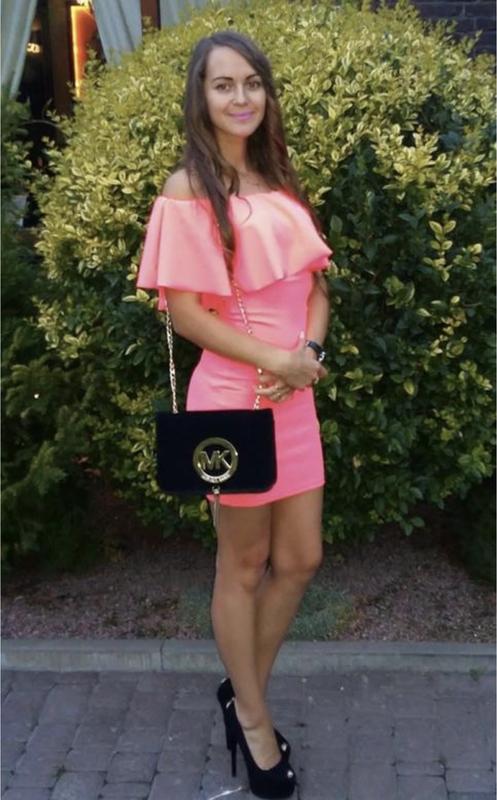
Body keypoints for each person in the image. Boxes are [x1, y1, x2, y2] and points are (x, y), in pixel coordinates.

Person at [137, 29, 333, 800]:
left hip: (293, 392)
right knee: (243, 566)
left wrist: (305, 354)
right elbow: (187, 313)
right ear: (201, 96)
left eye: (252, 82)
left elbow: (315, 286)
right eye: (224, 84)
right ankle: (252, 719)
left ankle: (238, 684)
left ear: (266, 93)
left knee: (301, 559)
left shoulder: (276, 176)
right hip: (232, 401)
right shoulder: (189, 187)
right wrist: (275, 362)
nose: (241, 96)